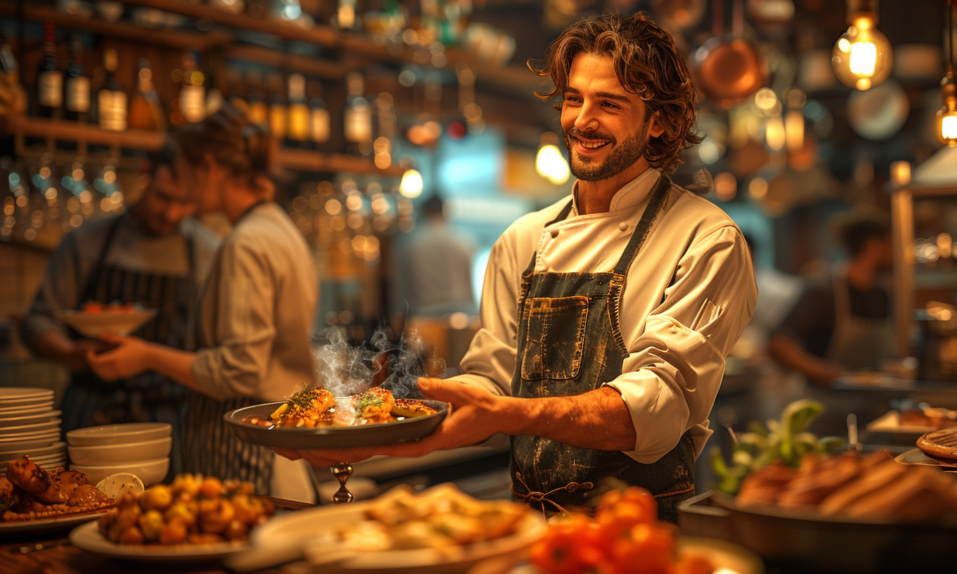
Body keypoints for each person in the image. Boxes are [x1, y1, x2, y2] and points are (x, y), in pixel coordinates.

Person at [282, 13, 757, 520]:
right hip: (524, 531)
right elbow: (491, 378)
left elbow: (655, 408)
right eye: (574, 99)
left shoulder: (706, 239)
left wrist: (512, 413)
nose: (582, 120)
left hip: (638, 536)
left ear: (658, 120)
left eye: (610, 104)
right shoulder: (523, 240)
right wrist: (386, 430)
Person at [86, 104, 319, 497]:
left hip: (250, 455)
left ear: (209, 167)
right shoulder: (279, 227)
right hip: (282, 444)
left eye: (182, 170)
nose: (183, 187)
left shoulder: (246, 243)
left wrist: (146, 355)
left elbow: (239, 371)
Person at [19, 149, 219, 478]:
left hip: (170, 419)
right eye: (163, 197)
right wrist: (69, 352)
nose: (171, 213)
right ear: (146, 174)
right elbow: (38, 320)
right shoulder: (87, 241)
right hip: (92, 411)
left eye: (185, 204)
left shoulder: (208, 252)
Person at [768, 215, 893, 388]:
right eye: (891, 244)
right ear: (872, 246)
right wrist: (825, 373)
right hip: (826, 404)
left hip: (874, 402)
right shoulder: (823, 292)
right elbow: (778, 345)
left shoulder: (881, 294)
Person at [391, 194, 477, 317]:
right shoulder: (465, 241)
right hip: (461, 313)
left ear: (423, 212)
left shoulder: (409, 243)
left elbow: (401, 287)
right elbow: (469, 282)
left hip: (424, 314)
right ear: (444, 211)